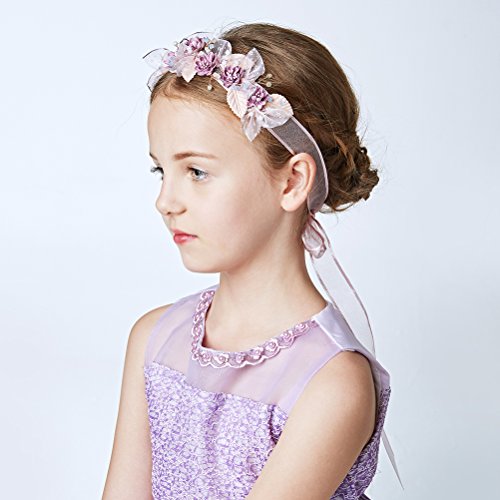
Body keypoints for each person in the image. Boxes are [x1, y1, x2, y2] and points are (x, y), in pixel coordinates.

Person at [103, 22, 399, 500]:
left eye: (196, 171)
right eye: (161, 170)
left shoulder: (330, 380)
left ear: (292, 181)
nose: (165, 201)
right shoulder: (154, 339)